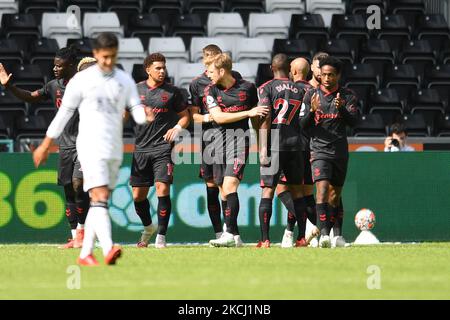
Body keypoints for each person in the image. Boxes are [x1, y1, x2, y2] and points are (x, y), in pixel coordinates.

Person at [33, 32, 150, 266]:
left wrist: (143, 116)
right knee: (100, 196)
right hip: (88, 145)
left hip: (113, 148)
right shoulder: (81, 81)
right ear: (96, 55)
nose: (108, 61)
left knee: (100, 201)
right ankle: (107, 248)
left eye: (113, 57)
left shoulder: (124, 80)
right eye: (105, 57)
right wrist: (46, 144)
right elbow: (63, 114)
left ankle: (86, 252)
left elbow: (135, 108)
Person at [0, 46, 90, 249]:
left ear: (71, 66)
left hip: (85, 145)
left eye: (60, 66)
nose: (56, 69)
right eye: (54, 65)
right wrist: (9, 86)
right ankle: (75, 236)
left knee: (78, 184)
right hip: (65, 147)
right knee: (68, 191)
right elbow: (31, 96)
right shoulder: (53, 86)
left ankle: (84, 233)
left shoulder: (87, 86)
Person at [204, 53, 269, 247]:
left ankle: (228, 234)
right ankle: (237, 237)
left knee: (230, 186)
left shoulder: (248, 88)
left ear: (222, 71)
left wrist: (262, 145)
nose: (208, 74)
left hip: (239, 143)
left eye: (211, 71)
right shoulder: (210, 90)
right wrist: (248, 112)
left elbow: (258, 120)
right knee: (224, 192)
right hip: (216, 144)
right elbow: (219, 117)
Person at [127, 52, 190, 249]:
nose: (162, 71)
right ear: (148, 70)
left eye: (164, 68)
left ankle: (161, 237)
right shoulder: (134, 90)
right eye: (158, 68)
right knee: (138, 196)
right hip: (141, 150)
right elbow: (124, 114)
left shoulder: (173, 92)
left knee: (162, 189)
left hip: (163, 148)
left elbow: (185, 116)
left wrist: (178, 128)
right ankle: (148, 228)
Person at [300, 56, 358, 248]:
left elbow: (354, 123)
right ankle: (324, 234)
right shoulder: (311, 95)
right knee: (322, 190)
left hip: (340, 151)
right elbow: (302, 125)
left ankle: (337, 236)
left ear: (338, 76)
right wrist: (311, 111)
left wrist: (342, 110)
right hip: (319, 150)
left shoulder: (348, 96)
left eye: (330, 75)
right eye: (323, 74)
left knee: (335, 196)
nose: (326, 78)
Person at [189, 44, 242, 241]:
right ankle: (219, 232)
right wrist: (209, 118)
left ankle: (231, 232)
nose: (212, 68)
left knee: (226, 186)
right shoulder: (197, 84)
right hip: (209, 139)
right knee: (212, 186)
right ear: (204, 61)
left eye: (216, 62)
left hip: (229, 137)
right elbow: (193, 116)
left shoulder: (232, 76)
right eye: (209, 63)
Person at [256, 54, 307, 248]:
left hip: (275, 144)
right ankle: (302, 238)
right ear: (289, 69)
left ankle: (265, 239)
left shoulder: (266, 88)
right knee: (297, 192)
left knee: (268, 191)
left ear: (272, 68)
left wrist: (262, 147)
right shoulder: (300, 89)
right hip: (295, 144)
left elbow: (265, 119)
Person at [278, 57, 319, 248]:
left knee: (282, 190)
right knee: (306, 193)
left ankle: (309, 226)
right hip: (312, 147)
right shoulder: (314, 92)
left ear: (292, 72)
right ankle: (296, 233)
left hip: (292, 146)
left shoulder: (289, 91)